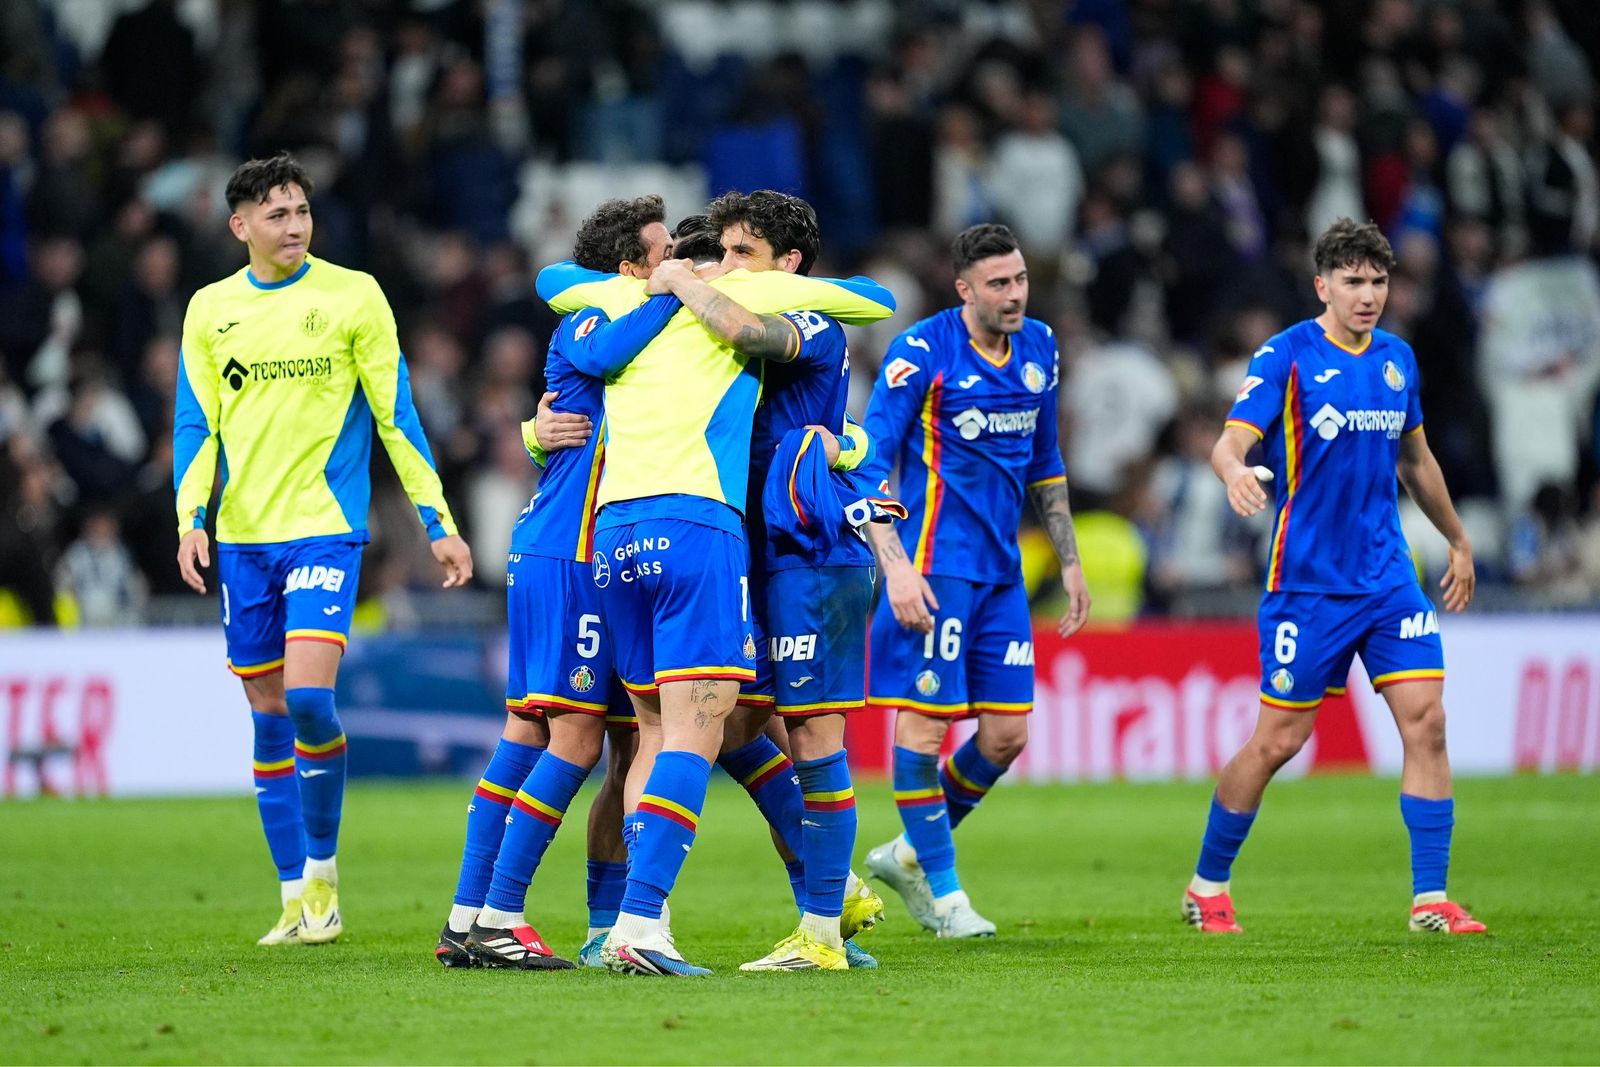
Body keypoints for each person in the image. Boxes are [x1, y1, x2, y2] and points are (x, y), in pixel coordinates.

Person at [536, 225, 897, 976]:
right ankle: (648, 921)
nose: (729, 267)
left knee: (719, 734)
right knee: (705, 734)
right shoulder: (703, 306)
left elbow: (553, 279)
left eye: (743, 252)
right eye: (721, 253)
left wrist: (668, 280)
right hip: (715, 538)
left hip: (717, 543)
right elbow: (872, 300)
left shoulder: (678, 306)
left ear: (786, 261)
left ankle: (809, 918)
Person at [173, 153, 473, 946]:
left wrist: (438, 524)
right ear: (240, 226)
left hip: (323, 526)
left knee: (308, 698)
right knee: (269, 716)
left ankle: (324, 869)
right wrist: (190, 517)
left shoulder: (353, 294)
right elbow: (196, 425)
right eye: (276, 214)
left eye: (301, 210)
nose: (295, 225)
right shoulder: (210, 310)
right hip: (242, 538)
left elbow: (397, 417)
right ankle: (296, 897)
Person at [1184, 217, 1485, 936]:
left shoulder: (1397, 360)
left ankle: (1429, 899)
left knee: (1428, 721)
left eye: (1378, 281)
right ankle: (1207, 883)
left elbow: (1415, 460)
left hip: (1388, 578)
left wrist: (1458, 539)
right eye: (1353, 281)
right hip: (1309, 585)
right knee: (1278, 742)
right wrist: (1234, 475)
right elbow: (1232, 441)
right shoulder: (1285, 355)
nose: (1368, 294)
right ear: (1323, 285)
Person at [435, 196, 678, 970]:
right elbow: (603, 359)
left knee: (531, 733)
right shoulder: (591, 316)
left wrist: (536, 432)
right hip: (572, 553)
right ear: (629, 265)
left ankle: (467, 916)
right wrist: (676, 293)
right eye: (662, 251)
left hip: (565, 549)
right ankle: (504, 911)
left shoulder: (621, 318)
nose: (673, 261)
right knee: (573, 735)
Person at [861, 223, 1089, 939]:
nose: (1015, 294)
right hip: (935, 568)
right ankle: (949, 894)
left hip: (1001, 574)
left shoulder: (1041, 347)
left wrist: (1071, 558)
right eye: (999, 283)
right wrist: (895, 565)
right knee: (925, 726)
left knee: (1006, 736)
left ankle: (907, 853)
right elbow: (868, 463)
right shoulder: (922, 353)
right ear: (965, 289)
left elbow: (1045, 460)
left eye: (1019, 279)